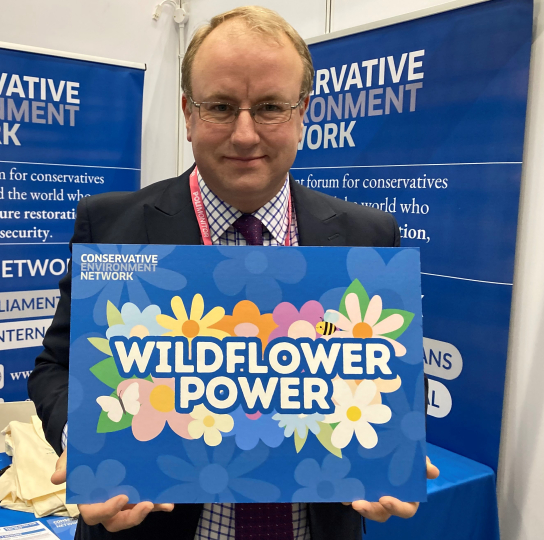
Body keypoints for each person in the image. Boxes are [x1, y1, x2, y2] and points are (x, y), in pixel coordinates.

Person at [29, 6, 438, 539]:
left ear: (302, 112)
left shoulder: (367, 238)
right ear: (188, 113)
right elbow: (55, 369)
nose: (245, 135)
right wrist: (83, 438)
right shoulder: (112, 228)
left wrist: (392, 448)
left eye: (270, 107)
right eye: (221, 106)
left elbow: (389, 371)